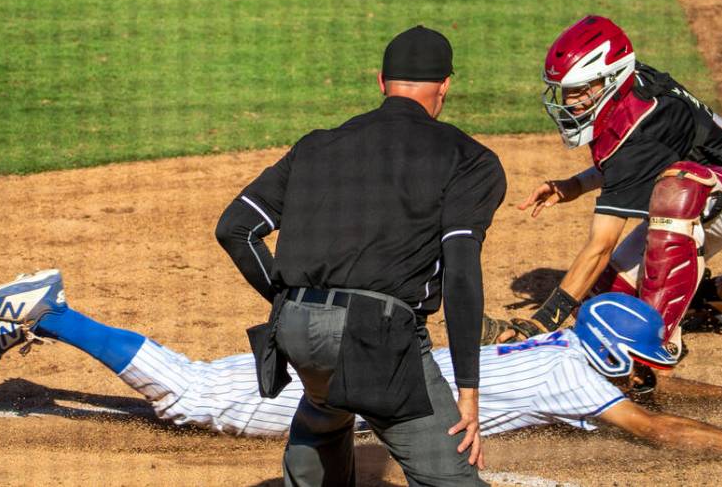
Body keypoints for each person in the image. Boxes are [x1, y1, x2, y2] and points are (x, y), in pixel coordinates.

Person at [0, 270, 722, 464]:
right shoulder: (585, 384)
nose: (647, 372)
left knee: (204, 381)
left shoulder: (574, 354)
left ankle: (41, 333)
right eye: (642, 360)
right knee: (188, 399)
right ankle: (52, 311)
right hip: (365, 384)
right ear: (618, 358)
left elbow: (650, 391)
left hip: (370, 359)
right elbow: (656, 424)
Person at [213, 26, 506, 486]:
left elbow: (235, 228)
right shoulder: (468, 158)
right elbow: (462, 273)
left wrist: (290, 300)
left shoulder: (316, 145)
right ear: (446, 85)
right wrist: (469, 392)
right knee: (450, 479)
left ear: (381, 81)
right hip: (376, 341)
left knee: (325, 409)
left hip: (294, 329)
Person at [490, 16, 722, 360]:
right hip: (694, 213)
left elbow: (601, 246)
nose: (570, 102)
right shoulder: (626, 95)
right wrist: (575, 184)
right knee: (597, 303)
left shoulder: (649, 119)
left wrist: (543, 322)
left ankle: (657, 344)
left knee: (679, 187)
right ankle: (714, 295)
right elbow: (632, 163)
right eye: (566, 92)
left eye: (580, 90)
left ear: (611, 79)